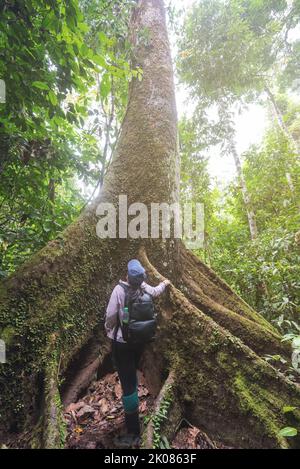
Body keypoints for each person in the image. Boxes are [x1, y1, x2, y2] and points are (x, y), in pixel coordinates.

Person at [105, 259, 170, 448]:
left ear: (127, 275)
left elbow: (110, 316)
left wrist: (108, 330)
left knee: (128, 384)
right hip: (140, 342)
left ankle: (133, 432)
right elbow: (156, 292)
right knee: (132, 375)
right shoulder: (144, 287)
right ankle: (134, 416)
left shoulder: (119, 290)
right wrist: (165, 283)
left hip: (122, 343)